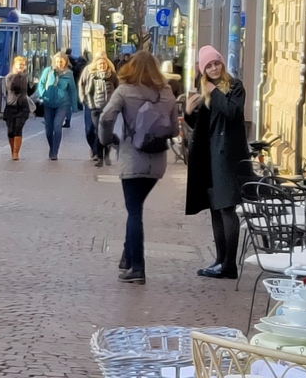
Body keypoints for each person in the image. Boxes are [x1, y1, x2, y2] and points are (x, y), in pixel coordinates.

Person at [99, 51, 178, 285]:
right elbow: (174, 130)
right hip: (157, 160)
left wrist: (107, 139)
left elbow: (106, 117)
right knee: (136, 207)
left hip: (132, 157)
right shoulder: (166, 92)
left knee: (134, 212)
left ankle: (137, 267)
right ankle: (127, 257)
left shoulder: (124, 90)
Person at [184, 45, 249, 280]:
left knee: (227, 208)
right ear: (203, 70)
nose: (213, 68)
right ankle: (220, 261)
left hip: (227, 158)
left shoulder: (234, 86)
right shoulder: (206, 92)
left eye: (216, 63)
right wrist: (189, 112)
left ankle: (229, 264)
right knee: (215, 209)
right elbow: (201, 127)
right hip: (208, 158)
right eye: (209, 66)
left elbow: (232, 112)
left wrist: (215, 92)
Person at [37, 52, 78, 161]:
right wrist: (43, 94)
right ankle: (52, 147)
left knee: (57, 126)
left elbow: (72, 90)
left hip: (62, 104)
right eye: (57, 61)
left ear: (65, 62)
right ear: (54, 61)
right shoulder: (48, 71)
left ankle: (55, 151)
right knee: (49, 129)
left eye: (61, 62)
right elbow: (41, 84)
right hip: (48, 103)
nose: (59, 64)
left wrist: (74, 106)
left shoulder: (69, 74)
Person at [79, 52, 118, 167]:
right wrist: (83, 98)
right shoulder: (89, 71)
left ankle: (98, 153)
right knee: (89, 130)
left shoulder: (112, 74)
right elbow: (82, 84)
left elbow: (118, 88)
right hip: (91, 105)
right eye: (99, 61)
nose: (101, 64)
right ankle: (94, 147)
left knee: (100, 130)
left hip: (107, 107)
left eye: (104, 61)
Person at [3, 56, 34, 161]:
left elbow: (29, 91)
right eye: (19, 64)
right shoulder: (9, 77)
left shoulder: (25, 77)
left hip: (23, 107)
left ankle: (16, 153)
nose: (21, 66)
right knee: (10, 131)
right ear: (14, 66)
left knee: (18, 128)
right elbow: (12, 88)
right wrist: (17, 75)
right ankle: (12, 150)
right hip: (11, 107)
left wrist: (33, 85)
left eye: (23, 65)